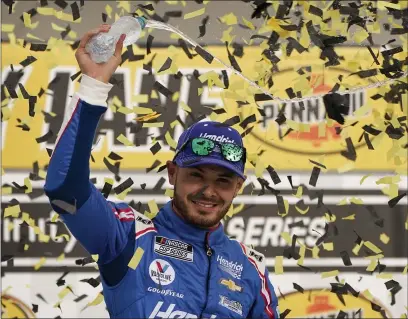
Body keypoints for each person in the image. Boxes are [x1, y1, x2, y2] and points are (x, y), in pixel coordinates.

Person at [44, 24, 279, 319]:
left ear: (238, 187)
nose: (209, 191)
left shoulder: (249, 268)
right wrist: (93, 85)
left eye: (223, 181)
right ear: (172, 173)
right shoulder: (128, 236)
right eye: (196, 175)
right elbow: (65, 190)